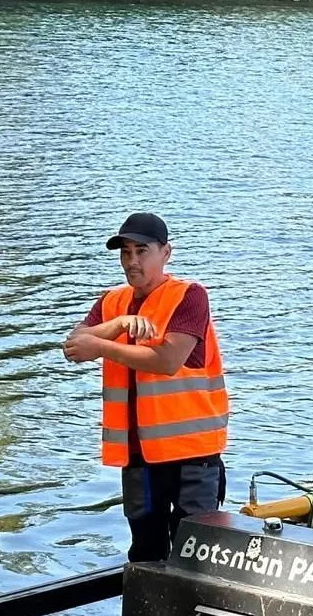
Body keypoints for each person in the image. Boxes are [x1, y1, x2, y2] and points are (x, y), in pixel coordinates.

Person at [62, 212, 230, 562]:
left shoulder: (190, 296)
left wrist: (103, 345)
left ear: (165, 253)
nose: (132, 261)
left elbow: (168, 361)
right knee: (144, 556)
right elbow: (75, 344)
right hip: (138, 458)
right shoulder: (113, 302)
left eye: (142, 251)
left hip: (192, 458)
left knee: (195, 561)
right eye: (126, 252)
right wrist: (120, 324)